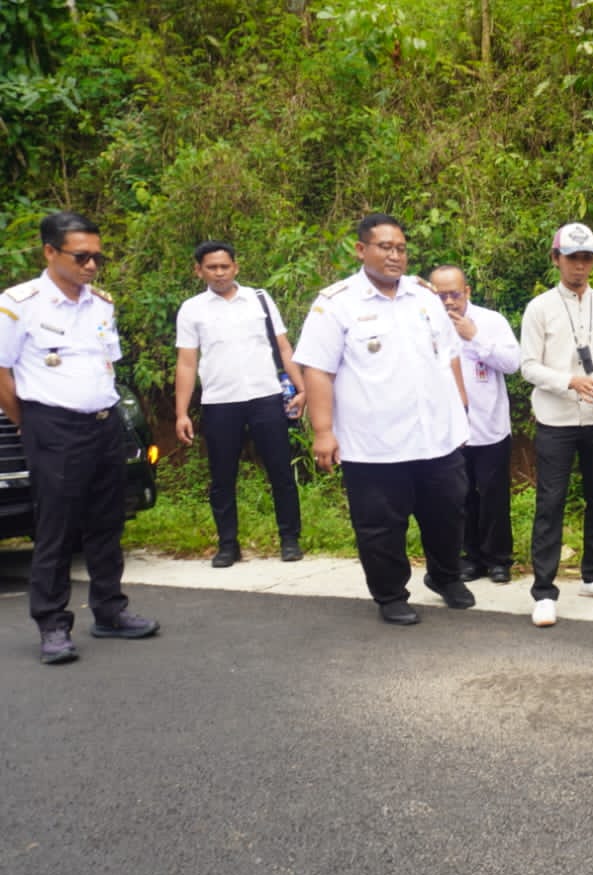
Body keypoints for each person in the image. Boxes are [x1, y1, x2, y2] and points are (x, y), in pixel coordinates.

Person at [292, 213, 473, 626]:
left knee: (448, 513)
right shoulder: (336, 304)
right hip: (373, 443)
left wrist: (461, 411)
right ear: (361, 250)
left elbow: (448, 355)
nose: (395, 256)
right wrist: (323, 431)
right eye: (385, 247)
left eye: (401, 249)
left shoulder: (425, 297)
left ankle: (445, 578)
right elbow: (318, 369)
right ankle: (391, 594)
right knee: (380, 526)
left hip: (435, 436)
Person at [0, 211, 159, 664]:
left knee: (107, 523)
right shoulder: (18, 304)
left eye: (98, 257)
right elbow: (2, 372)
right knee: (56, 529)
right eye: (81, 256)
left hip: (103, 422)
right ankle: (52, 624)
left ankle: (110, 611)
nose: (91, 265)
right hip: (53, 426)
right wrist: (29, 422)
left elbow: (106, 363)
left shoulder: (101, 303)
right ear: (50, 252)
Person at [520, 223, 593, 627]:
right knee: (551, 502)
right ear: (556, 259)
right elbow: (528, 365)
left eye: (587, 258)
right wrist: (570, 382)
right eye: (572, 258)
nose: (580, 266)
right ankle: (544, 591)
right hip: (556, 418)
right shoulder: (540, 308)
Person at [174, 241, 305, 567]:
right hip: (220, 402)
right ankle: (228, 545)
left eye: (224, 266)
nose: (219, 273)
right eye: (211, 267)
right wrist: (180, 412)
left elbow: (284, 347)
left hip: (266, 397)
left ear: (236, 267)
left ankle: (290, 539)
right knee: (222, 477)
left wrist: (302, 388)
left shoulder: (259, 300)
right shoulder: (192, 309)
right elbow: (187, 363)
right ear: (199, 270)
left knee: (280, 473)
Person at [430, 264, 520, 585]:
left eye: (454, 294)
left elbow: (512, 363)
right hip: (450, 430)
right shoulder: (425, 326)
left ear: (467, 292)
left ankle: (499, 560)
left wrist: (475, 337)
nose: (448, 302)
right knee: (460, 497)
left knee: (494, 496)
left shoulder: (491, 322)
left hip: (490, 425)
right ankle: (471, 559)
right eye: (441, 296)